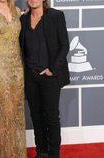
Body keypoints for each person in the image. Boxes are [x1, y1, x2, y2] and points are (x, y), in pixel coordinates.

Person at [20, 0, 70, 158]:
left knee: (51, 116)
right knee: (36, 115)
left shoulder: (56, 16)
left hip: (50, 76)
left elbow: (64, 45)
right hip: (30, 76)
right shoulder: (23, 19)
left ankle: (54, 153)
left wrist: (53, 69)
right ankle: (41, 151)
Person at [0, 0, 27, 157]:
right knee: (6, 112)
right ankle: (6, 154)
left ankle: (19, 153)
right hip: (0, 67)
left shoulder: (16, 11)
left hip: (18, 67)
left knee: (18, 111)